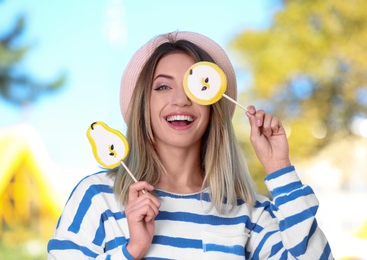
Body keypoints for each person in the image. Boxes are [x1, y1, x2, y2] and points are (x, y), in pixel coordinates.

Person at [47, 31, 333, 259]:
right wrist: (131, 250)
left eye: (196, 86)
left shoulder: (247, 210)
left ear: (214, 107)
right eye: (163, 86)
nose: (181, 100)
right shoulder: (98, 196)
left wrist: (279, 167)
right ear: (143, 105)